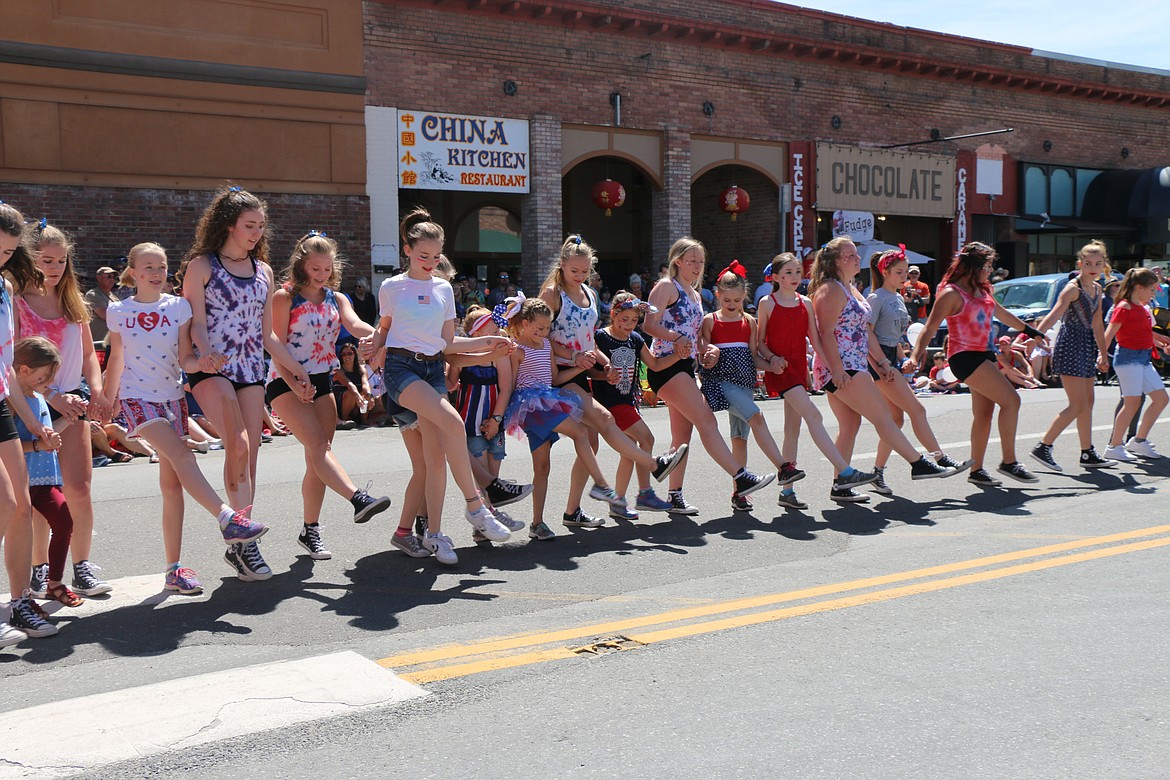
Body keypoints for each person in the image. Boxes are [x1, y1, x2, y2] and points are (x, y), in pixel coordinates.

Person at [102, 242, 269, 595]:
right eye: (147, 267)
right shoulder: (118, 311)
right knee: (183, 455)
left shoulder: (178, 307)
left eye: (161, 266)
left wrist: (203, 364)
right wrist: (106, 396)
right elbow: (116, 358)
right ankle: (228, 518)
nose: (156, 273)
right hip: (137, 399)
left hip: (172, 398)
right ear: (131, 272)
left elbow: (185, 358)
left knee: (173, 484)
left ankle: (173, 570)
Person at [364, 207, 515, 565]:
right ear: (407, 251)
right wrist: (374, 341)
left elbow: (449, 344)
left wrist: (488, 343)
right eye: (422, 256)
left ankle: (433, 534)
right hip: (401, 368)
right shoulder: (392, 286)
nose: (429, 263)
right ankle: (477, 507)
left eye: (435, 256)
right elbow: (384, 327)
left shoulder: (444, 289)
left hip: (432, 369)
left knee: (434, 462)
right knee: (454, 424)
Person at [178, 186, 310, 582]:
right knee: (235, 441)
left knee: (249, 455)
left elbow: (269, 335)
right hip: (209, 366)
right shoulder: (202, 265)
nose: (255, 233)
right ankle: (238, 533)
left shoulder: (264, 271)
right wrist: (205, 352)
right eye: (249, 225)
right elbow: (195, 321)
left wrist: (295, 370)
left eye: (260, 227)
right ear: (228, 225)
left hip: (251, 369)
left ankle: (242, 545)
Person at [541, 235, 688, 528]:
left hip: (581, 372)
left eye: (585, 271)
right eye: (575, 271)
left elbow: (587, 339)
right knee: (605, 420)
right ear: (562, 265)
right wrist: (573, 357)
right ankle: (653, 466)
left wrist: (604, 363)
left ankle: (572, 512)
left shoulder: (590, 294)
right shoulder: (552, 293)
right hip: (557, 374)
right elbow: (540, 336)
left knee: (591, 444)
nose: (580, 276)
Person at [268, 232, 393, 560]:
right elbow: (275, 344)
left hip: (322, 380)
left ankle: (310, 531)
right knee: (319, 448)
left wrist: (382, 335)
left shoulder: (337, 299)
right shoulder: (285, 297)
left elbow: (355, 325)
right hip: (284, 380)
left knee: (318, 458)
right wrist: (294, 380)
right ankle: (357, 499)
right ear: (302, 264)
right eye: (315, 267)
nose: (321, 274)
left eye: (327, 268)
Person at [16, 219, 114, 596]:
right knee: (40, 491)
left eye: (60, 260)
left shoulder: (73, 300)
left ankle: (81, 565)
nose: (54, 268)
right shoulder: (18, 303)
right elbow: (15, 361)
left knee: (79, 487)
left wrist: (98, 390)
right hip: (36, 403)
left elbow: (90, 353)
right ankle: (41, 566)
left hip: (75, 401)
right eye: (46, 260)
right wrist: (51, 394)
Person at [643, 237, 772, 513]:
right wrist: (674, 336)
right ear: (677, 261)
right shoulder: (666, 286)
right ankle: (741, 476)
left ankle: (674, 495)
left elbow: (696, 335)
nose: (698, 266)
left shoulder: (694, 293)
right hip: (666, 365)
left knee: (682, 438)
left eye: (701, 262)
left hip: (686, 367)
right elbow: (649, 325)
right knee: (706, 420)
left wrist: (706, 349)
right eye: (692, 261)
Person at [911, 242, 1046, 487]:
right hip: (964, 357)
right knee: (1012, 400)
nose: (991, 269)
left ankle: (977, 470)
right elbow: (929, 328)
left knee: (984, 414)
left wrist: (1030, 330)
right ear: (974, 266)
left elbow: (1003, 314)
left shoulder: (984, 290)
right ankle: (1009, 461)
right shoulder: (951, 293)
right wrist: (914, 357)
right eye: (987, 265)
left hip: (985, 355)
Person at [503, 298, 631, 540]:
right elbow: (509, 386)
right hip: (530, 407)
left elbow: (555, 379)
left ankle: (537, 524)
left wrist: (580, 367)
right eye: (538, 328)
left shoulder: (545, 346)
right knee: (581, 433)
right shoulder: (516, 349)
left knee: (542, 468)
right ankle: (602, 485)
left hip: (548, 401)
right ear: (524, 323)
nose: (543, 333)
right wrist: (501, 416)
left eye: (547, 328)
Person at [757, 253, 877, 510]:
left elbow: (816, 338)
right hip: (781, 370)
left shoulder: (806, 303)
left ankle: (787, 492)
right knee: (814, 416)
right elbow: (759, 342)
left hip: (800, 368)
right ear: (776, 277)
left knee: (793, 429)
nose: (794, 277)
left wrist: (834, 368)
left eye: (797, 272)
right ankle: (845, 471)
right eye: (787, 272)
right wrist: (772, 359)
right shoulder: (767, 302)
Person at [0, 203, 61, 645]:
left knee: (21, 506)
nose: (2, 259)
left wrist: (36, 425)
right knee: (7, 505)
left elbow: (6, 372)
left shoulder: (4, 287)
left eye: (7, 253)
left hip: (2, 403)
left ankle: (20, 601)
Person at [865, 246, 972, 496]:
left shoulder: (899, 298)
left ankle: (877, 472)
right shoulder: (876, 297)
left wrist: (904, 358)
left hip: (891, 358)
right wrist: (882, 363)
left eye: (906, 272)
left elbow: (894, 337)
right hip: (879, 363)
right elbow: (868, 334)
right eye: (899, 272)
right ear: (885, 272)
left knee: (896, 419)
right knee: (917, 409)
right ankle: (940, 458)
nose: (904, 276)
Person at [700, 261, 805, 512]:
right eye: (727, 300)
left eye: (737, 299)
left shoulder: (749, 320)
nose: (732, 304)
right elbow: (701, 351)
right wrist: (708, 353)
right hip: (722, 383)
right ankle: (783, 467)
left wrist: (772, 365)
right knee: (757, 417)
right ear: (718, 296)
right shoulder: (710, 320)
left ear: (744, 295)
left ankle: (739, 493)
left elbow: (754, 356)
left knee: (740, 439)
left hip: (745, 382)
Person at [1029, 241, 1114, 471]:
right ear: (1080, 264)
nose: (1093, 267)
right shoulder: (1072, 288)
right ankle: (1043, 446)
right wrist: (1035, 335)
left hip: (1087, 346)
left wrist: (1103, 354)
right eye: (1088, 263)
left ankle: (1087, 452)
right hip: (1069, 345)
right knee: (1077, 404)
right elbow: (1054, 313)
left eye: (1098, 263)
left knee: (1088, 402)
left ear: (1104, 264)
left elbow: (1097, 324)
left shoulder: (1097, 289)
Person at [591, 292, 677, 517]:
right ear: (613, 314)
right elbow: (589, 368)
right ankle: (645, 493)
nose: (629, 325)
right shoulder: (600, 337)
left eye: (633, 320)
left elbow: (655, 365)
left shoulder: (636, 339)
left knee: (629, 453)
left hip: (627, 401)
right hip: (610, 403)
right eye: (624, 320)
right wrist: (604, 375)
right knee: (647, 439)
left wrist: (679, 354)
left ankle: (618, 502)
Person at [1102, 268, 1169, 463]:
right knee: (1132, 403)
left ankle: (1138, 441)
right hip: (1127, 359)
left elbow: (1143, 333)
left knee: (1161, 399)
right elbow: (1110, 333)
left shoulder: (1141, 307)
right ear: (1139, 287)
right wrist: (1101, 356)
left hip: (1142, 359)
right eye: (1151, 290)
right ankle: (1114, 446)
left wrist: (1160, 342)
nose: (1153, 294)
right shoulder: (1124, 307)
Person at [83, 265, 119, 361]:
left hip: (111, 344)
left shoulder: (114, 296)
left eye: (114, 277)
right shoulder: (93, 294)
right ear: (98, 278)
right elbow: (105, 315)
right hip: (98, 345)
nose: (112, 279)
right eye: (108, 276)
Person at [332, 343, 371, 430]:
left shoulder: (361, 369)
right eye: (344, 354)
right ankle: (343, 420)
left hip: (356, 404)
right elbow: (349, 384)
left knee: (368, 395)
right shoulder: (338, 370)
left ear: (354, 354)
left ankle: (364, 421)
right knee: (351, 394)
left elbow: (365, 384)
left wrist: (369, 395)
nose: (347, 356)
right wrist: (358, 396)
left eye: (349, 353)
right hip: (342, 401)